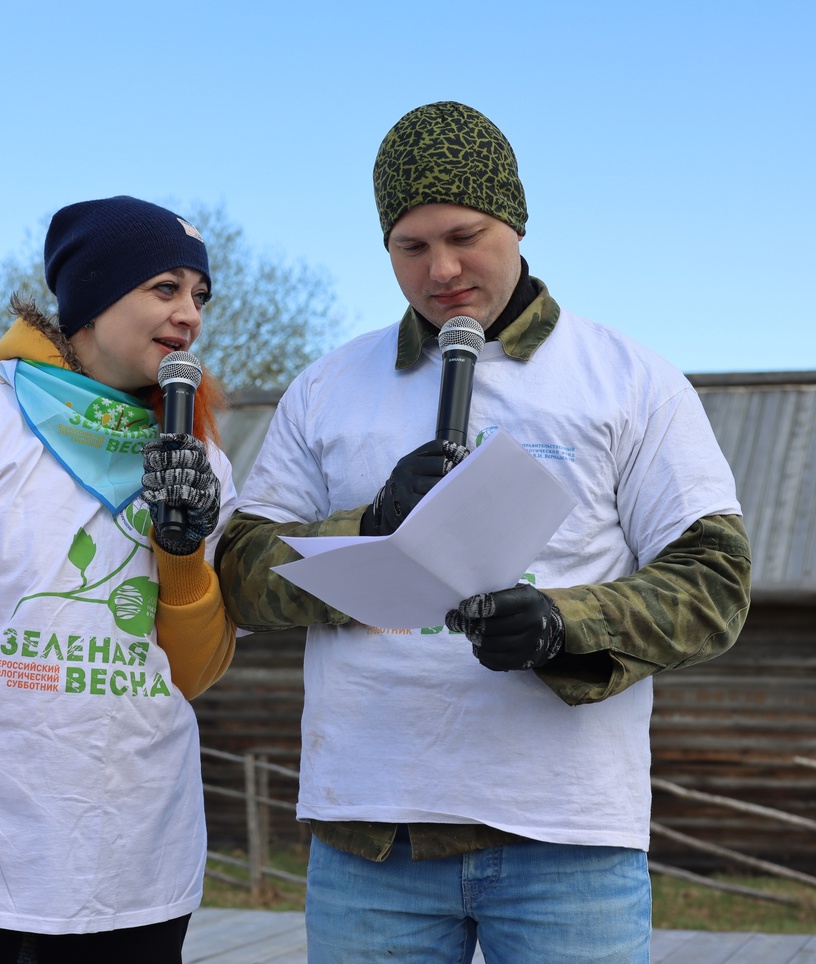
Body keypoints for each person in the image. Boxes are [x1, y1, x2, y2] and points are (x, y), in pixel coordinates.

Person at [215, 102, 751, 963]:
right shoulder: (327, 388)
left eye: (467, 235)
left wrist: (561, 623)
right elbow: (237, 572)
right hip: (370, 837)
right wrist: (372, 524)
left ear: (519, 219)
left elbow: (716, 581)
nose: (443, 270)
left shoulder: (629, 379)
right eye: (412, 246)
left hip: (566, 836)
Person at [0, 196, 238, 964]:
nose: (189, 313)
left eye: (200, 294)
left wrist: (184, 554)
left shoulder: (203, 462)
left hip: (131, 871)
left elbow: (190, 674)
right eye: (164, 287)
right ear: (91, 298)